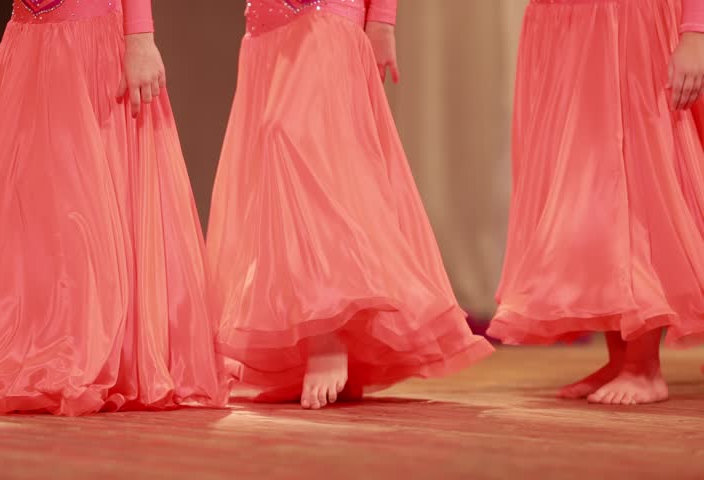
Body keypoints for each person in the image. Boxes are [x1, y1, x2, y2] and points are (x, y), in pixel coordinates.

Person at [0, 0, 228, 415]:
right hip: (28, 45)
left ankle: (84, 346)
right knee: (27, 209)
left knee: (84, 206)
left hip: (90, 47)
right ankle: (26, 341)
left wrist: (140, 37)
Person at [206, 0, 494, 410]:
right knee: (277, 170)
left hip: (327, 14)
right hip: (266, 26)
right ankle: (307, 351)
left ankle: (329, 336)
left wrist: (382, 23)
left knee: (292, 141)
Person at [488, 0, 704, 405]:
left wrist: (695, 31)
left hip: (628, 20)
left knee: (635, 180)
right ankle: (621, 357)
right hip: (562, 24)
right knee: (588, 192)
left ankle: (643, 365)